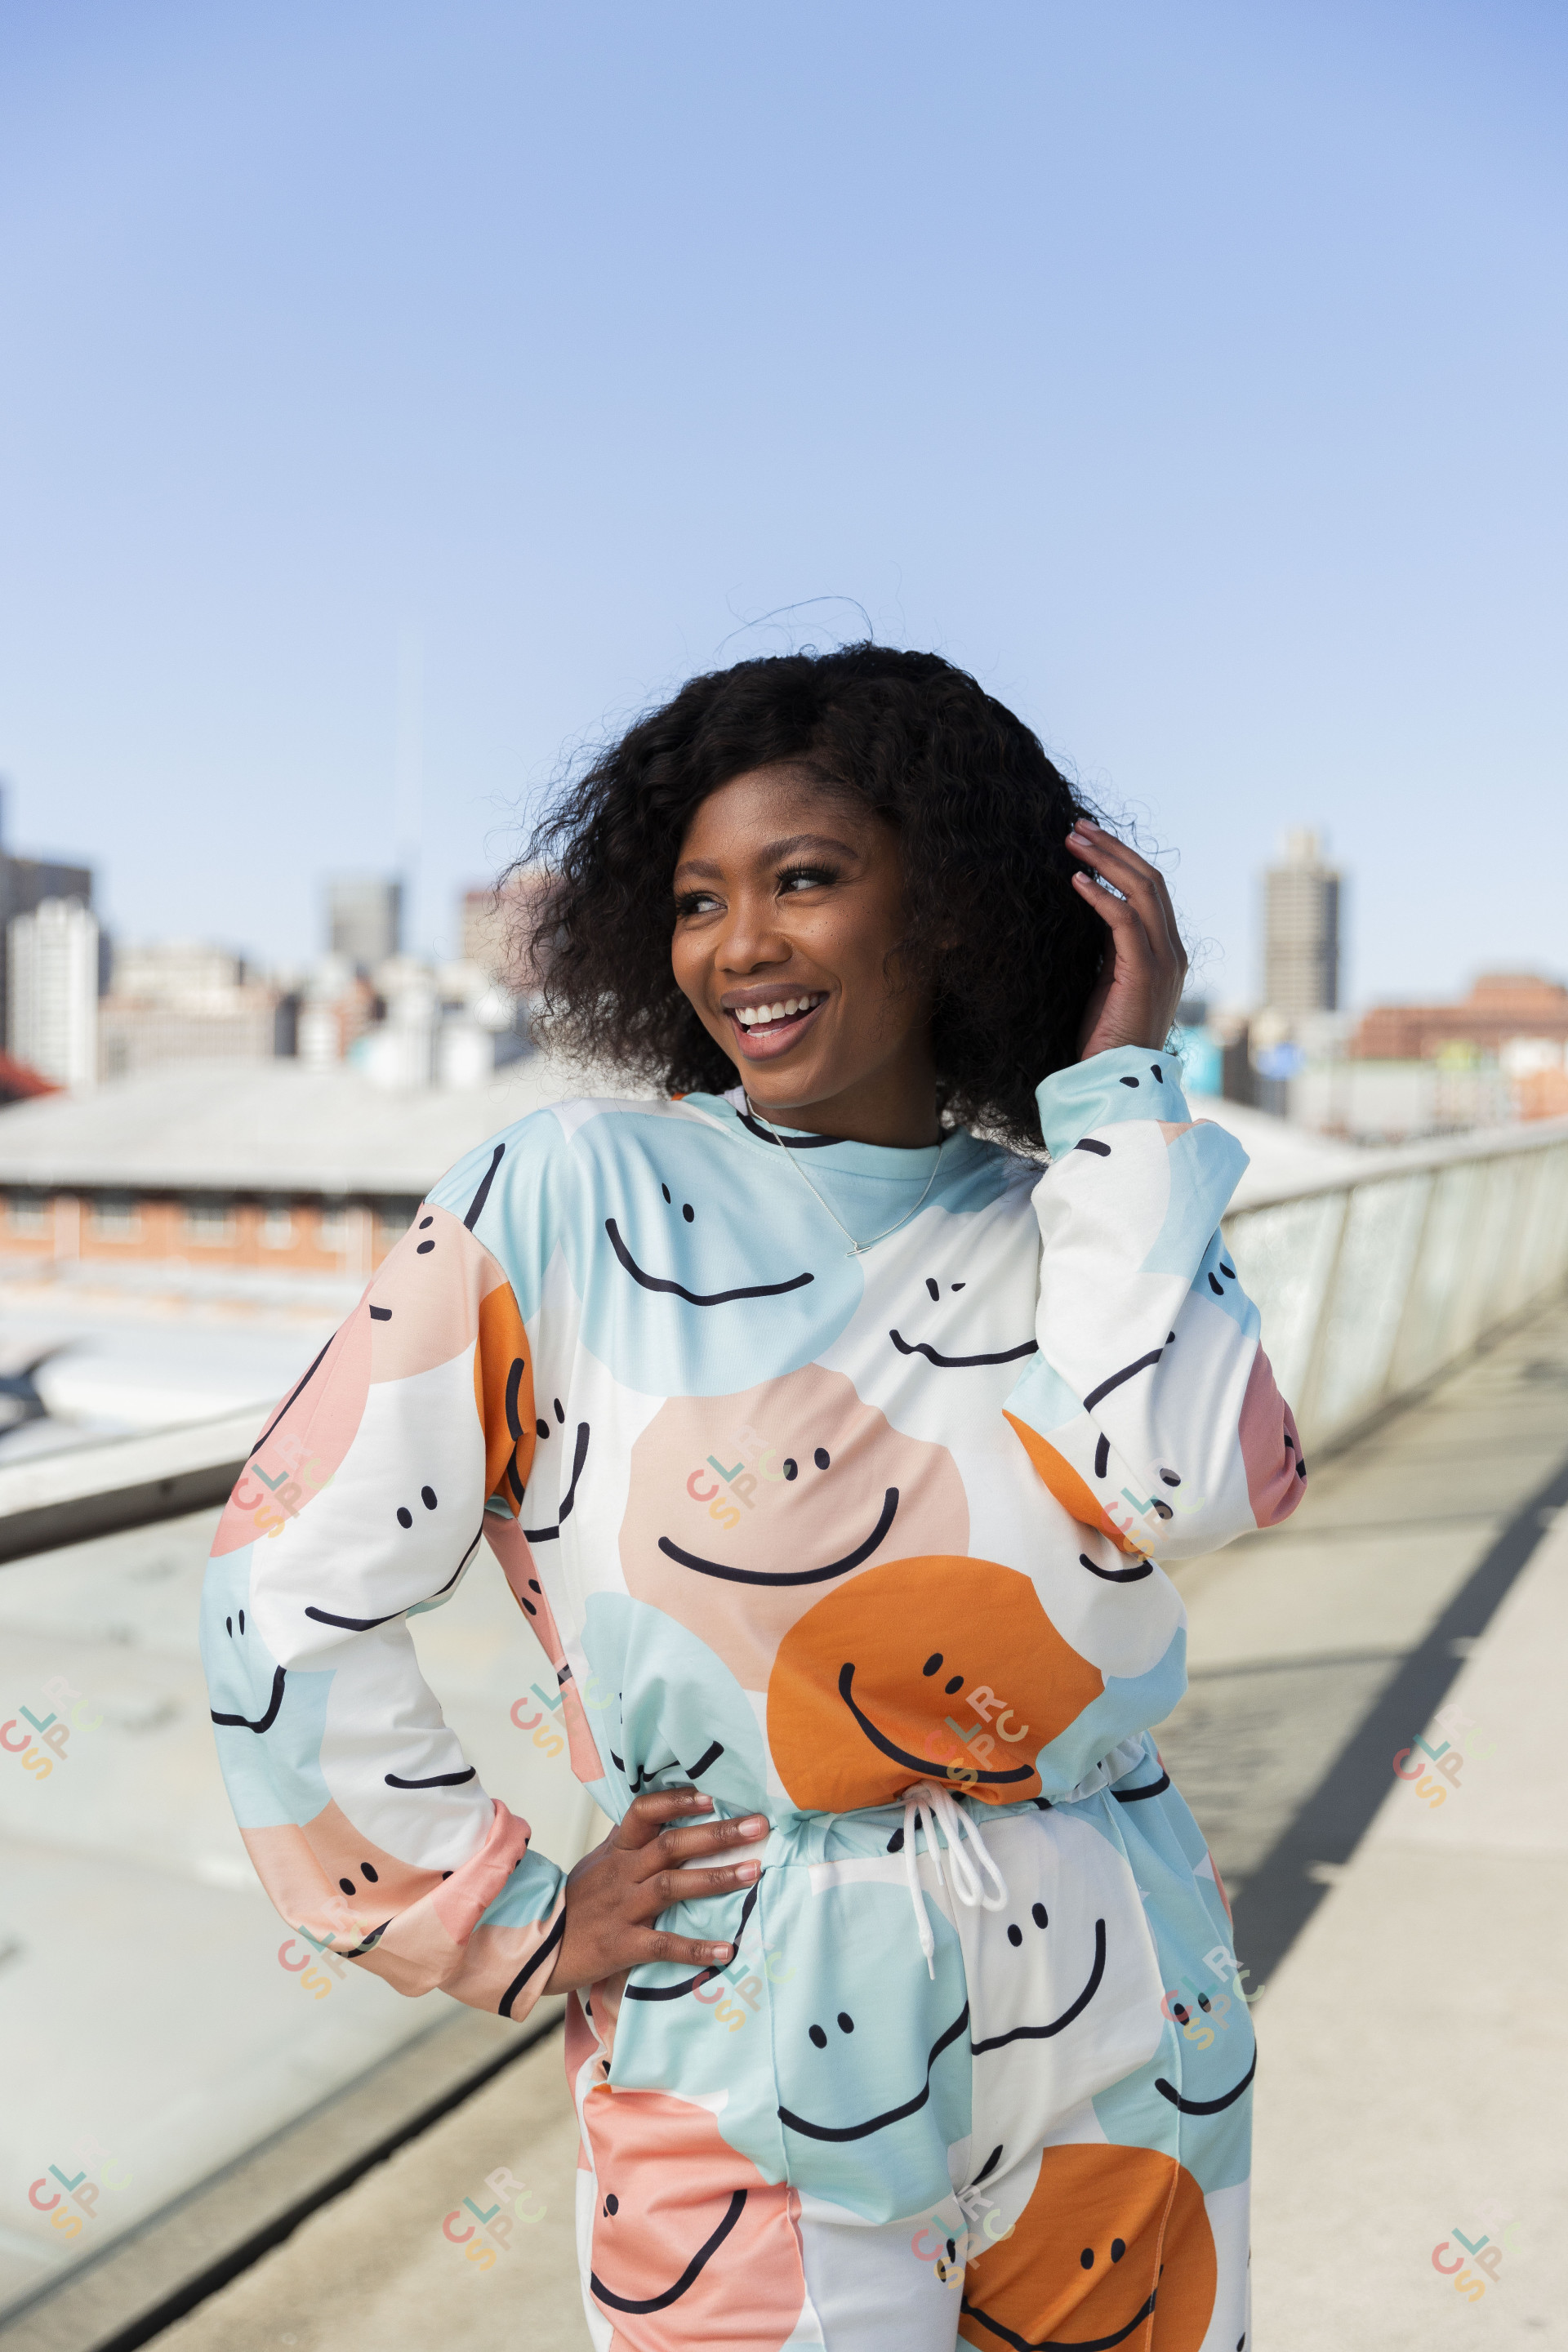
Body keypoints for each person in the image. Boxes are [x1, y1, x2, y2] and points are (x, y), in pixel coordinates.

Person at [200, 646, 1303, 2351]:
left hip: (1119, 1983)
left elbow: (1191, 1481)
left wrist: (1122, 1089)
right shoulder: (564, 1193)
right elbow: (283, 1570)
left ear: (946, 909)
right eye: (701, 898)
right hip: (745, 2004)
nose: (741, 946)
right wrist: (498, 1911)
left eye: (806, 881)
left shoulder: (1079, 1207)